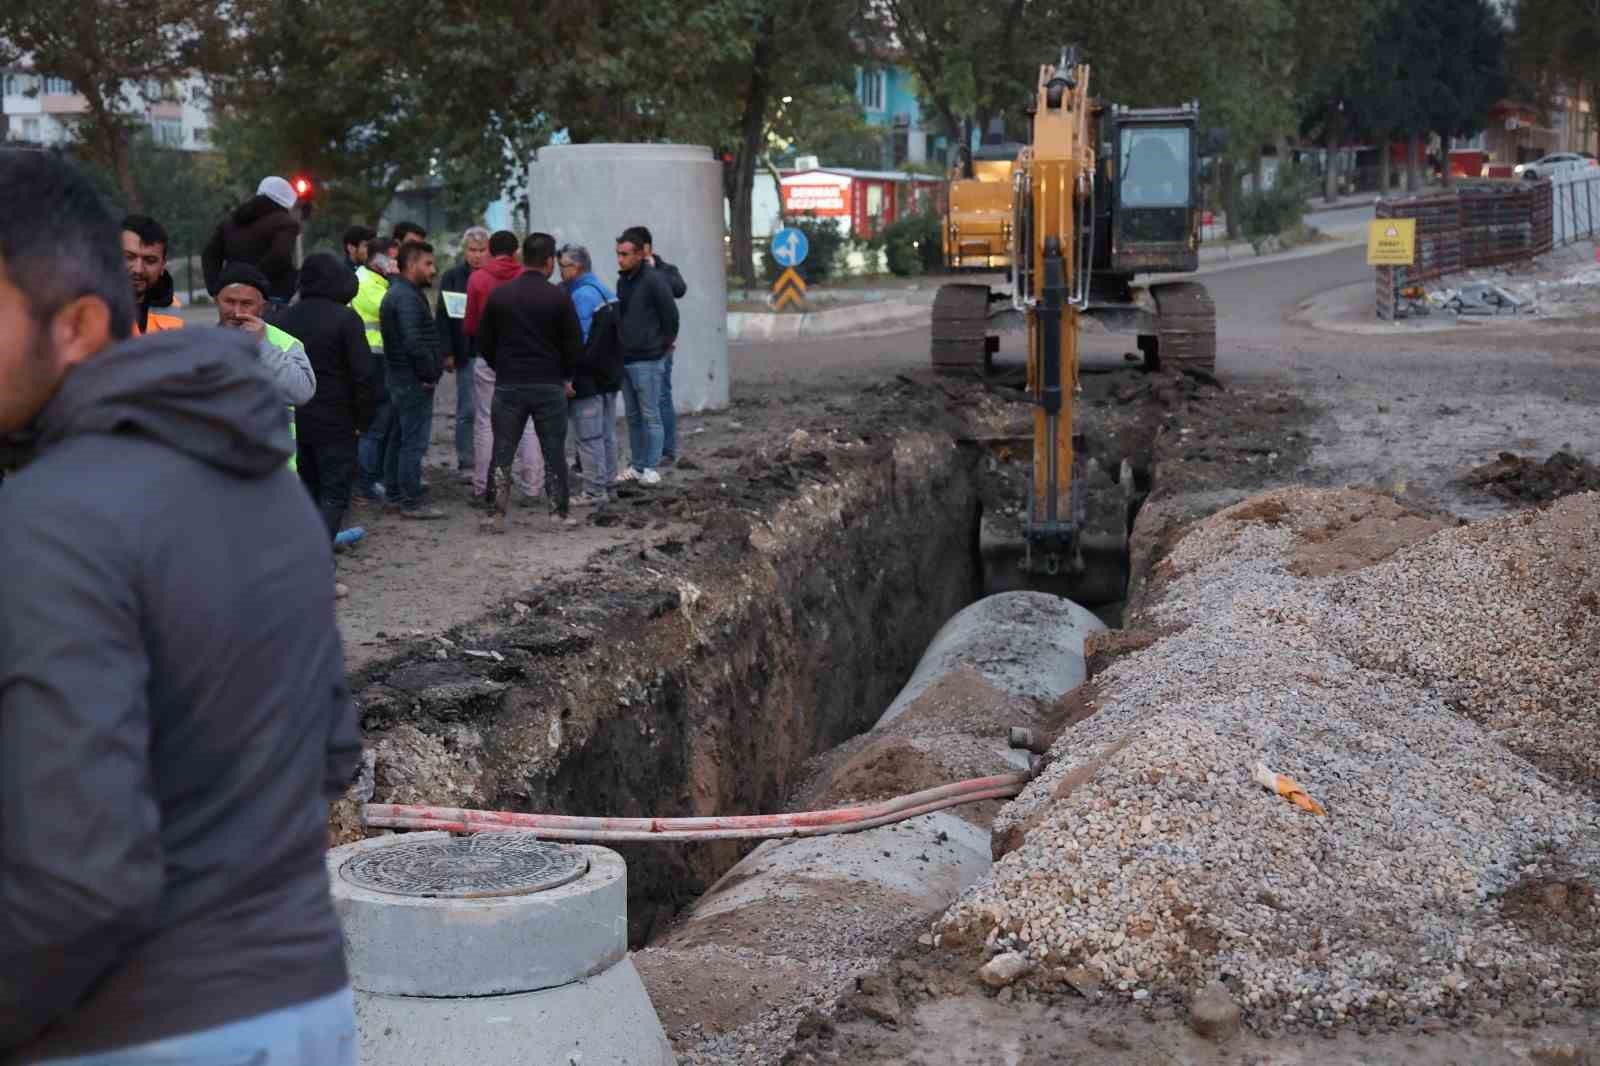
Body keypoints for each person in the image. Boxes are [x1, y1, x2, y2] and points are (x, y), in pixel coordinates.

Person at [0, 148, 359, 1066]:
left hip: (136, 1029)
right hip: (309, 1007)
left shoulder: (51, 516)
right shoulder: (265, 480)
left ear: (76, 325)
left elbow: (79, 879)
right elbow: (331, 752)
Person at [476, 231, 582, 527]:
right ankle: (558, 514)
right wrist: (565, 374)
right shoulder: (558, 297)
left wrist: (501, 366)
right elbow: (574, 344)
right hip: (549, 385)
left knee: (502, 450)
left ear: (523, 258)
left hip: (509, 384)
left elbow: (484, 341)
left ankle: (495, 514)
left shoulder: (501, 295)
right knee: (553, 450)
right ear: (549, 261)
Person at [275, 252, 376, 548]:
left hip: (295, 420)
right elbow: (363, 375)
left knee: (307, 490)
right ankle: (316, 555)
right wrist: (363, 420)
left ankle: (306, 550)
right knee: (334, 494)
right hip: (337, 421)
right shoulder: (346, 318)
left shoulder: (283, 317)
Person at [464, 229, 542, 502]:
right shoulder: (526, 277)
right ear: (516, 252)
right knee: (529, 422)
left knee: (486, 422)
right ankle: (532, 487)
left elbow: (470, 325)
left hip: (489, 358)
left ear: (489, 250)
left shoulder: (478, 278)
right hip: (524, 360)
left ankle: (483, 486)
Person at [378, 240, 444, 518]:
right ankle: (410, 501)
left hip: (400, 378)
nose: (433, 269)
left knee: (398, 439)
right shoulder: (406, 297)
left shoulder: (401, 293)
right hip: (412, 380)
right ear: (411, 264)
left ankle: (394, 495)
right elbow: (413, 342)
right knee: (412, 443)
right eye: (427, 264)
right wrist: (427, 374)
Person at [615, 228, 679, 486]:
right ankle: (637, 465)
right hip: (627, 358)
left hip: (649, 358)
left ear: (641, 254)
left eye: (625, 254)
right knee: (633, 417)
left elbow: (670, 314)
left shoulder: (654, 279)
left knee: (651, 414)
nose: (620, 259)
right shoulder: (623, 281)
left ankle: (652, 467)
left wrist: (664, 344)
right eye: (618, 254)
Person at [558, 243, 620, 505]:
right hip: (609, 376)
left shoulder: (581, 296)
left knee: (588, 437)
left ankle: (594, 491)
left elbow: (578, 340)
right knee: (606, 434)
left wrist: (568, 376)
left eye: (563, 267)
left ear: (577, 267)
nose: (560, 272)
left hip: (587, 378)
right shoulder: (605, 291)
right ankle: (609, 485)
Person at [214, 263, 316, 408]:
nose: (237, 312)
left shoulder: (286, 343)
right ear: (217, 301)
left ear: (263, 308)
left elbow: (301, 393)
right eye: (229, 302)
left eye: (246, 303)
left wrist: (263, 344)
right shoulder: (199, 342)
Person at [436, 226, 490, 478]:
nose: (477, 255)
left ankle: (488, 460)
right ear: (465, 250)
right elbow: (443, 317)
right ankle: (466, 461)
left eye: (481, 250)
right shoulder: (452, 277)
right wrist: (446, 352)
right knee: (467, 409)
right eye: (472, 250)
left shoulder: (494, 276)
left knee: (491, 410)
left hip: (491, 353)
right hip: (465, 352)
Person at [201, 175, 302, 304]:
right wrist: (254, 281)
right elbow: (280, 255)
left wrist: (215, 289)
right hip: (271, 295)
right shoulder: (285, 223)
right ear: (287, 202)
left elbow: (209, 254)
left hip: (233, 293)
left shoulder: (231, 220)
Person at [353, 238, 397, 502]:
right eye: (393, 258)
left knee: (381, 425)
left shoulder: (377, 281)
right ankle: (367, 483)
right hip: (373, 360)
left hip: (379, 359)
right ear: (378, 260)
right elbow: (393, 310)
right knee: (375, 426)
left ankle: (373, 478)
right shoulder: (366, 284)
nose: (397, 263)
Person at [121, 214, 184, 336]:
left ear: (163, 266)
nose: (138, 269)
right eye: (129, 257)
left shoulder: (173, 308)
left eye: (150, 260)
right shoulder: (88, 307)